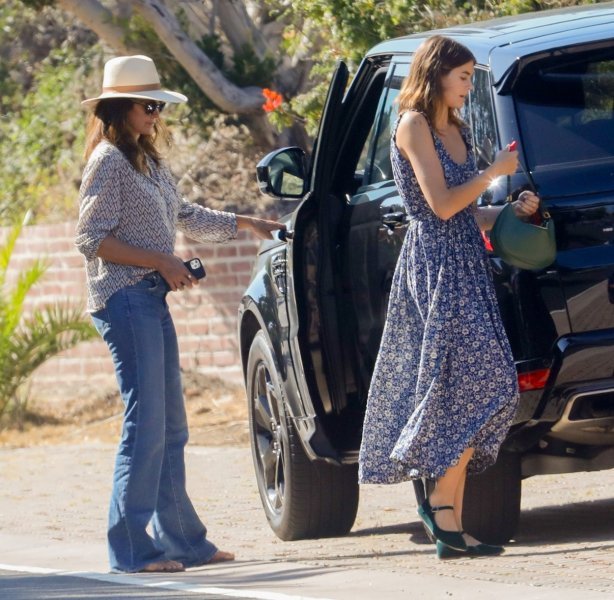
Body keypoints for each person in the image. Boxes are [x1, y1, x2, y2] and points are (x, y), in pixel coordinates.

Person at [75, 55, 284, 573]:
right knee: (145, 426)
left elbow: (185, 215)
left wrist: (247, 223)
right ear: (119, 109)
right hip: (124, 300)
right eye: (148, 106)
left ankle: (184, 542)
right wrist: (162, 260)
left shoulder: (147, 161)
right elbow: (90, 239)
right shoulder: (107, 161)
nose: (156, 115)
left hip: (149, 297)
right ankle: (131, 549)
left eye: (158, 105)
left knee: (171, 428)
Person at [358, 36, 540, 559]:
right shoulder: (412, 125)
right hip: (435, 265)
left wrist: (511, 213)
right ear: (436, 75)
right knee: (459, 385)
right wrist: (492, 176)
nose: (467, 86)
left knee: (485, 384)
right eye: (462, 77)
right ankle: (444, 516)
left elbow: (470, 214)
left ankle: (446, 516)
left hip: (468, 263)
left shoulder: (457, 130)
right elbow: (439, 207)